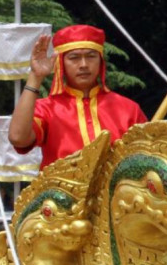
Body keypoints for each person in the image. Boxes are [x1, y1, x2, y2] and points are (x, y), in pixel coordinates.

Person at [8, 24, 147, 170]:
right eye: (74, 58)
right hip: (61, 190)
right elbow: (18, 138)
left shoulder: (128, 108)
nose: (84, 65)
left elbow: (145, 159)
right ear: (60, 63)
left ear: (101, 61)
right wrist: (35, 78)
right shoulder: (46, 108)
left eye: (91, 56)